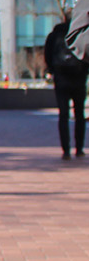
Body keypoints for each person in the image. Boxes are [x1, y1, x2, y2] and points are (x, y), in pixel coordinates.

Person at [45, 16, 86, 158]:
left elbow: (47, 56)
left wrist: (53, 71)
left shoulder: (55, 34)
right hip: (79, 79)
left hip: (61, 79)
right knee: (79, 114)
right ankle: (79, 148)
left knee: (63, 115)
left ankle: (66, 150)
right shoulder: (82, 33)